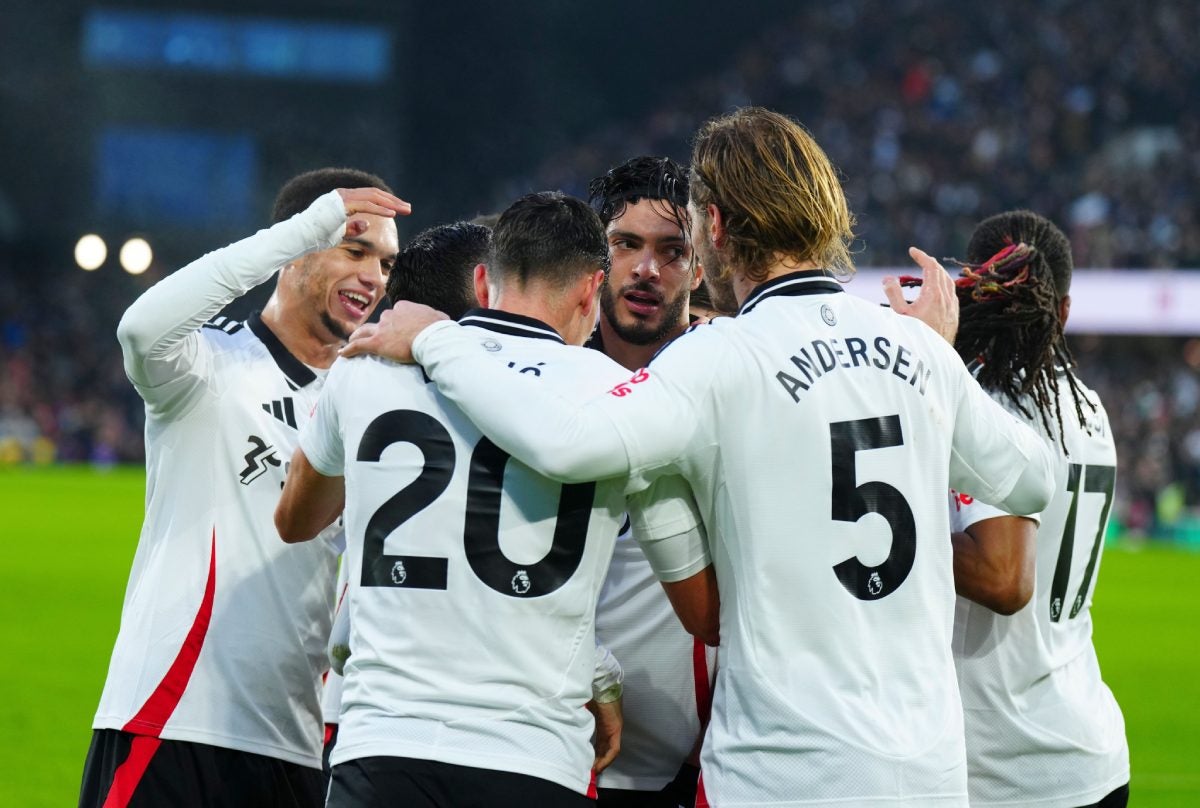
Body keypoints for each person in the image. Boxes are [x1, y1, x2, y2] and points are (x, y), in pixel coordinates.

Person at [346, 107, 1058, 807]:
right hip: (927, 774)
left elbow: (564, 443)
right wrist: (935, 365)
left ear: (713, 227)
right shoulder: (914, 350)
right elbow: (1035, 479)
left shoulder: (719, 357)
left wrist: (440, 341)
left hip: (779, 769)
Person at [275, 192, 664, 807]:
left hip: (383, 749)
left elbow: (296, 520)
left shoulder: (367, 366)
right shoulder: (619, 395)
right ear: (593, 290)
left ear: (483, 281)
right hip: (534, 756)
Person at [79, 168, 407, 808]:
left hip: (294, 748)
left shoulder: (367, 405)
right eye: (355, 249)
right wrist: (305, 226)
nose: (374, 278)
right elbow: (140, 329)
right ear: (293, 247)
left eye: (387, 264)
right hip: (170, 720)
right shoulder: (206, 367)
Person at [945, 210, 1130, 808]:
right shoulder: (1089, 407)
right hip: (1089, 749)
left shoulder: (991, 401)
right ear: (1065, 311)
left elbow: (1003, 577)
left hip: (1005, 766)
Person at [317, 219, 494, 774]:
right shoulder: (513, 410)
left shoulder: (361, 383)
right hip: (493, 733)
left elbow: (299, 525)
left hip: (365, 723)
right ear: (488, 291)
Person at [587, 155, 712, 808]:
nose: (645, 269)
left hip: (707, 766)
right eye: (626, 245)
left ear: (700, 266)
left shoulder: (736, 386)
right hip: (561, 753)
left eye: (671, 251)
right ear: (595, 258)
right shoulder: (538, 389)